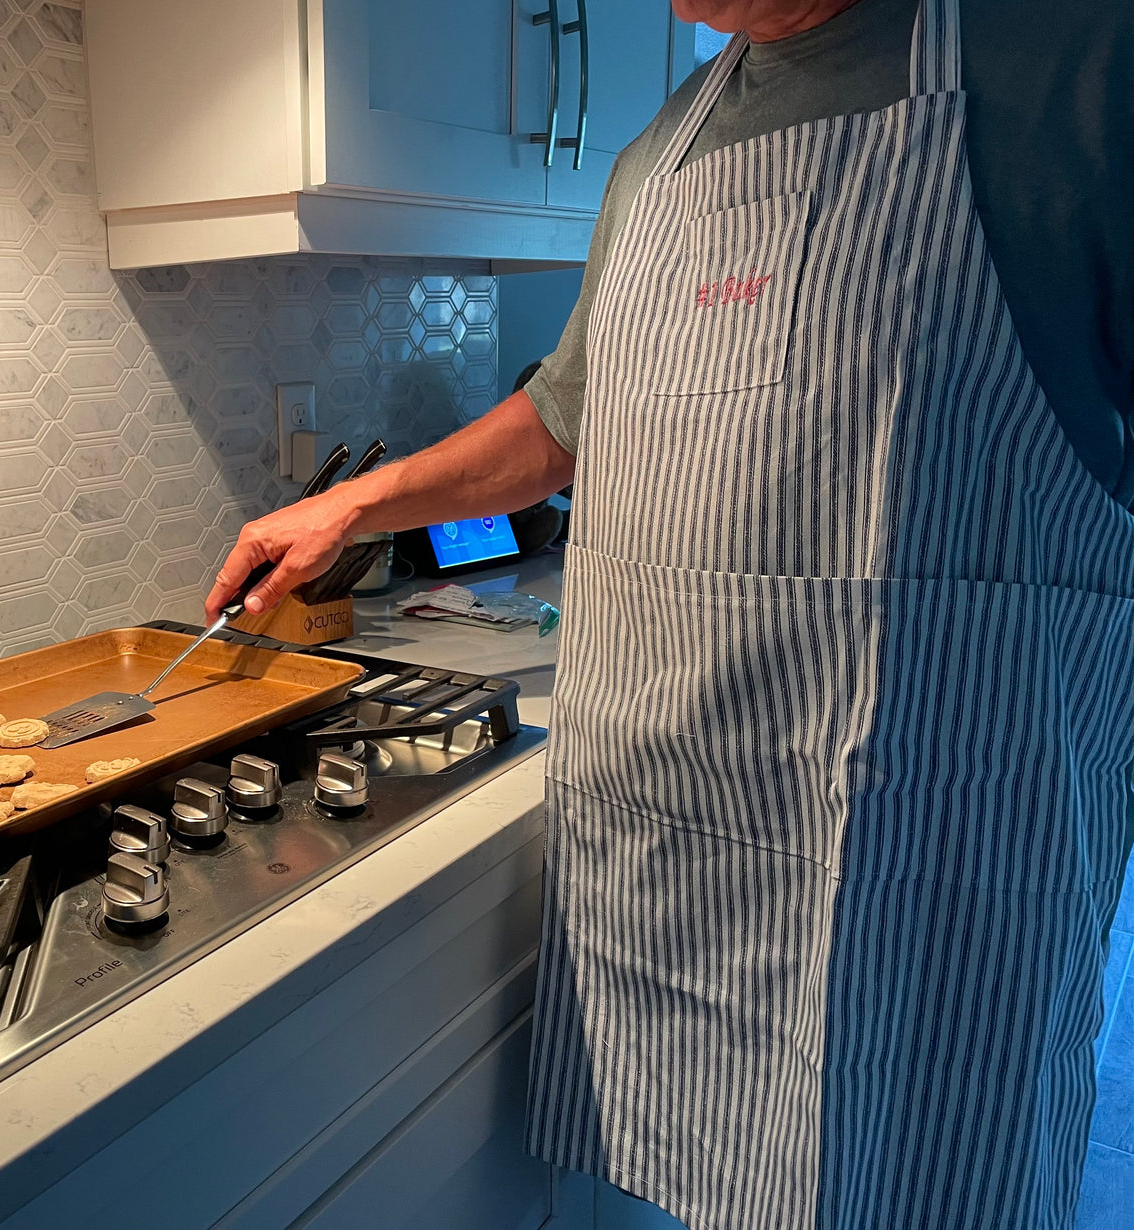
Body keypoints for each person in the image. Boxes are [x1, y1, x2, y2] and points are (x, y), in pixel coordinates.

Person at [205, 0, 1133, 1224]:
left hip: (921, 857)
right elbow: (556, 426)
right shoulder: (658, 154)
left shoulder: (1080, 61)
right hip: (671, 832)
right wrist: (356, 505)